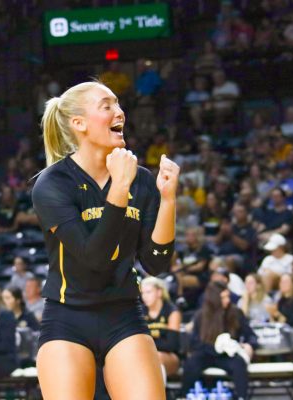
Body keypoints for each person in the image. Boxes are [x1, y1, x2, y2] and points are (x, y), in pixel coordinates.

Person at [32, 82, 179, 399]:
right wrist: (119, 189)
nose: (120, 113)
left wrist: (168, 201)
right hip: (67, 318)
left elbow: (156, 262)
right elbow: (93, 258)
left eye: (119, 104)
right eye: (107, 105)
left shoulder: (139, 178)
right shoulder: (52, 184)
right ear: (79, 123)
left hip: (124, 314)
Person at [181, 282, 257, 399]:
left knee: (239, 364)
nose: (227, 300)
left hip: (228, 354)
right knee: (191, 363)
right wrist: (210, 347)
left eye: (228, 296)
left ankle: (242, 397)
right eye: (223, 297)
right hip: (206, 352)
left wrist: (249, 345)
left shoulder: (236, 313)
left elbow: (251, 335)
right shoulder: (201, 315)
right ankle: (183, 395)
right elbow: (194, 341)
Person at [141, 277, 181, 378]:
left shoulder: (172, 311)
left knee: (154, 357)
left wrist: (148, 344)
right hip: (146, 352)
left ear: (159, 292)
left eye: (148, 292)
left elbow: (171, 344)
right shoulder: (140, 311)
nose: (145, 296)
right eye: (142, 293)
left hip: (169, 356)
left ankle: (158, 392)